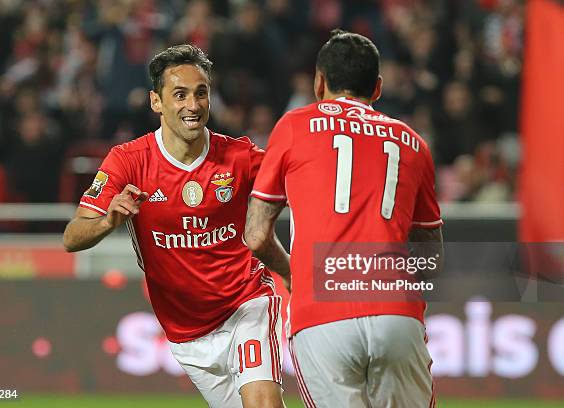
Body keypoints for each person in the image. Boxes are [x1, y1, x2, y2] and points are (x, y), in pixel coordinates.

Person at [63, 44, 285, 408]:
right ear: (156, 102)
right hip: (187, 334)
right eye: (179, 95)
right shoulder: (128, 162)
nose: (193, 106)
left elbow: (300, 183)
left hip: (247, 305)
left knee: (264, 404)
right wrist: (109, 220)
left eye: (201, 93)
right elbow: (72, 237)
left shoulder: (240, 156)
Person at [245, 30, 444, 408]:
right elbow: (431, 258)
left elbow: (255, 235)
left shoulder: (294, 126)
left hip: (322, 316)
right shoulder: (413, 142)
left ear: (319, 82)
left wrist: (292, 271)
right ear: (378, 87)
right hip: (396, 313)